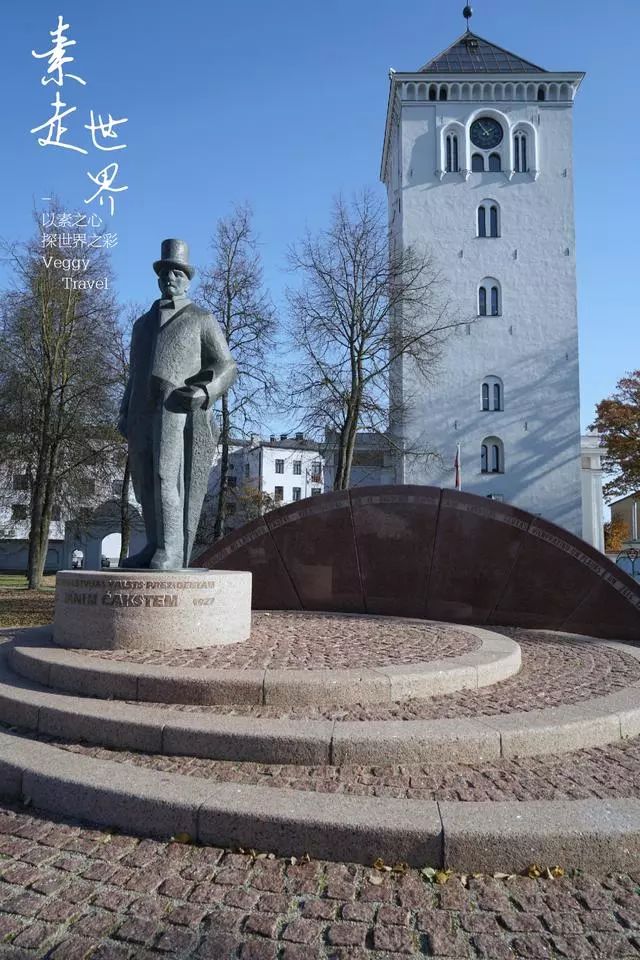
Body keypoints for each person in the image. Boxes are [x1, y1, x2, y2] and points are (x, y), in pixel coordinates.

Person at [118, 239, 237, 569]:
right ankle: (154, 544)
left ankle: (170, 549)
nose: (171, 277)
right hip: (141, 409)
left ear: (188, 279)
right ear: (158, 278)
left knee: (164, 475)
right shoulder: (141, 325)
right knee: (143, 481)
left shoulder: (201, 318)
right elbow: (134, 372)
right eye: (166, 272)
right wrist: (125, 409)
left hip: (175, 407)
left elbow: (227, 366)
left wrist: (204, 392)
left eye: (178, 272)